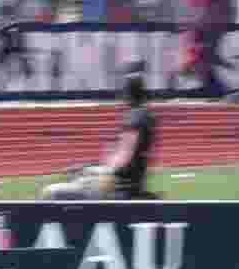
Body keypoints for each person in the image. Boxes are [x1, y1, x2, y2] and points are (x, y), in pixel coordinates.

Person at [40, 68, 158, 200]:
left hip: (117, 187)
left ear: (127, 93)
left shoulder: (134, 117)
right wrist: (93, 168)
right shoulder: (148, 116)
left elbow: (124, 157)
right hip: (132, 184)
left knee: (50, 192)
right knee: (79, 177)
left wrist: (95, 171)